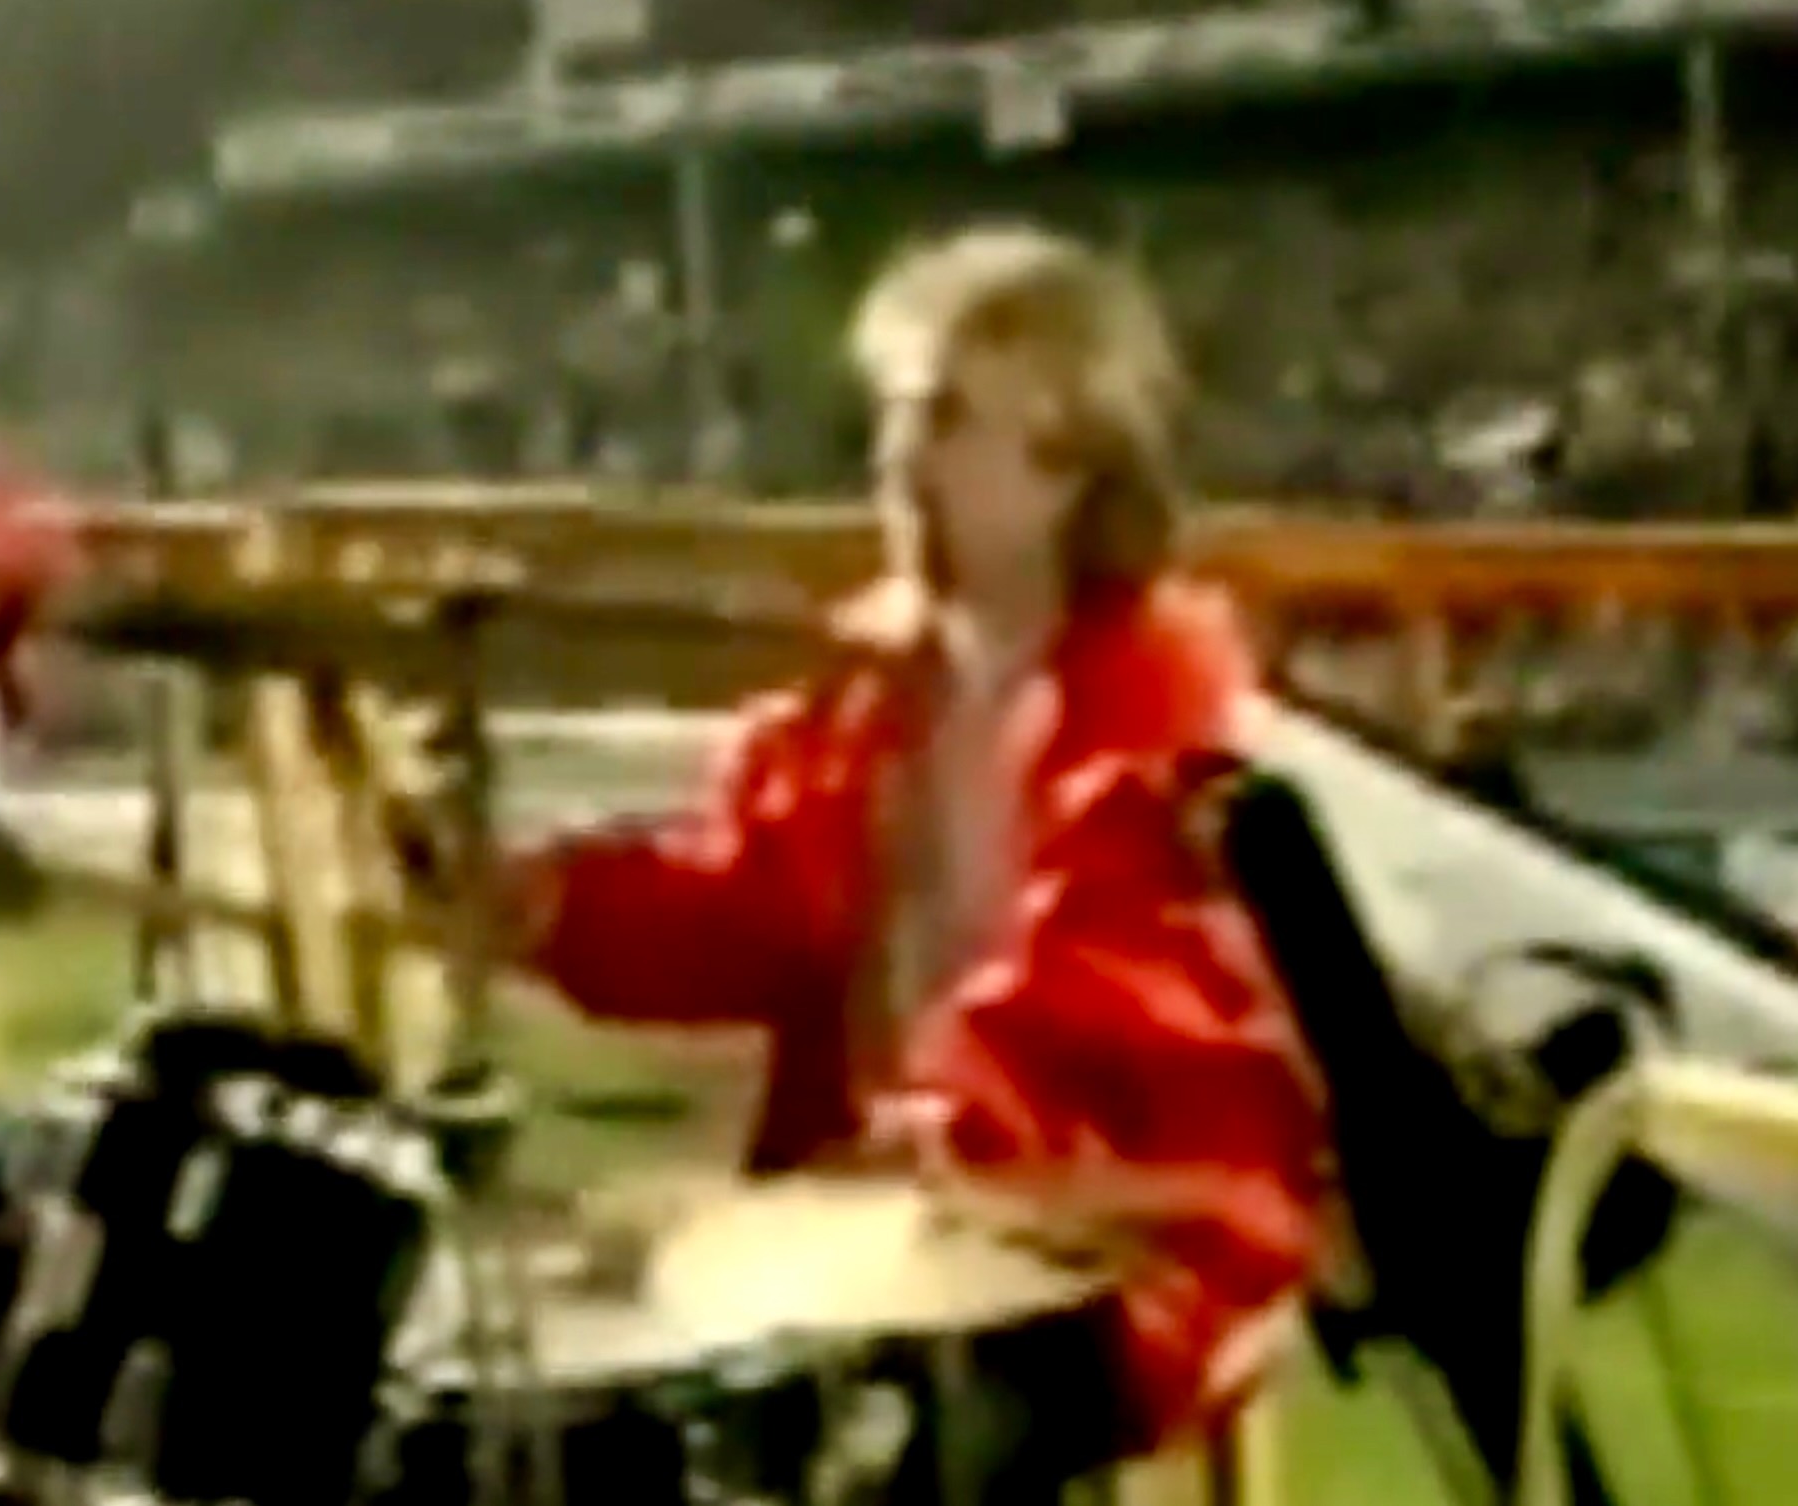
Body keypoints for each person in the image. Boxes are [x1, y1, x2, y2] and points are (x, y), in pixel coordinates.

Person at [471, 226, 1334, 1504]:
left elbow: (1100, 987)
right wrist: (549, 907)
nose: (896, 457)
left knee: (833, 1444)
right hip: (884, 1220)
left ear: (1067, 461)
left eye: (944, 419)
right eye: (891, 416)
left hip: (1124, 1226)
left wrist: (935, 1139)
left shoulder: (1165, 707)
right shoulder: (863, 697)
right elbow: (751, 911)